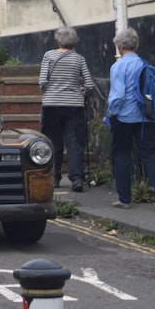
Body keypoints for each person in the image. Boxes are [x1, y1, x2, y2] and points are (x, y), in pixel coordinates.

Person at [105, 27, 155, 210]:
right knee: (150, 155)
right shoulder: (146, 65)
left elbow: (118, 95)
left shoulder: (118, 66)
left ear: (121, 46)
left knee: (122, 155)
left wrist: (111, 112)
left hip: (123, 118)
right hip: (147, 117)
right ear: (136, 45)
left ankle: (124, 199)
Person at [38, 26, 95, 192]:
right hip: (74, 105)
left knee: (53, 143)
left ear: (57, 40)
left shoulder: (48, 56)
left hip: (51, 104)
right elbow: (89, 84)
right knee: (74, 143)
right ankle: (77, 178)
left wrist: (51, 91)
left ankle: (54, 178)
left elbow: (42, 82)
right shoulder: (79, 59)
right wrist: (81, 92)